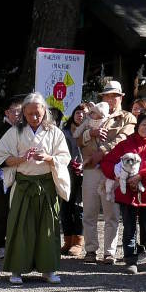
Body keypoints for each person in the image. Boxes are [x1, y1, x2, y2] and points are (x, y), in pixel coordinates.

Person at [0, 92, 72, 285]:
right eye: (30, 114)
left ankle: (48, 269)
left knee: (48, 228)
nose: (35, 117)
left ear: (45, 111)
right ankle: (17, 270)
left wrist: (49, 158)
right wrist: (21, 158)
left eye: (38, 113)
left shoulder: (54, 132)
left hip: (47, 185)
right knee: (19, 227)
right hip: (24, 185)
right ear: (23, 114)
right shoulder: (15, 132)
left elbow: (65, 157)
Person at [100, 111, 146, 275]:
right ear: (137, 126)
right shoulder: (125, 144)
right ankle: (130, 261)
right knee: (129, 228)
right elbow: (107, 162)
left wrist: (141, 176)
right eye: (144, 125)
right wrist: (118, 175)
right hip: (127, 194)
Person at [77, 82, 137, 264]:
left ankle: (109, 252)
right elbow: (78, 138)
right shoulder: (91, 115)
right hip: (90, 169)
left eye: (114, 95)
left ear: (121, 96)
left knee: (111, 213)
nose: (110, 99)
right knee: (89, 211)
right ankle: (90, 250)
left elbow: (123, 139)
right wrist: (91, 133)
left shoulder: (128, 117)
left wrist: (101, 152)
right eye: (106, 96)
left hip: (112, 169)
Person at [0, 98, 24, 258]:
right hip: (3, 174)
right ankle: (0, 244)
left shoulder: (24, 129)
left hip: (22, 174)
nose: (17, 114)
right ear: (7, 112)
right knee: (2, 211)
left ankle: (16, 244)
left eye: (20, 111)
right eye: (14, 111)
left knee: (19, 210)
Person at [58, 105, 86, 257]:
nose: (80, 115)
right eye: (77, 112)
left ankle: (77, 242)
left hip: (84, 172)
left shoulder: (90, 131)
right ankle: (67, 241)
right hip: (66, 172)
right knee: (65, 208)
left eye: (83, 113)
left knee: (79, 208)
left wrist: (83, 164)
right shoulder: (64, 132)